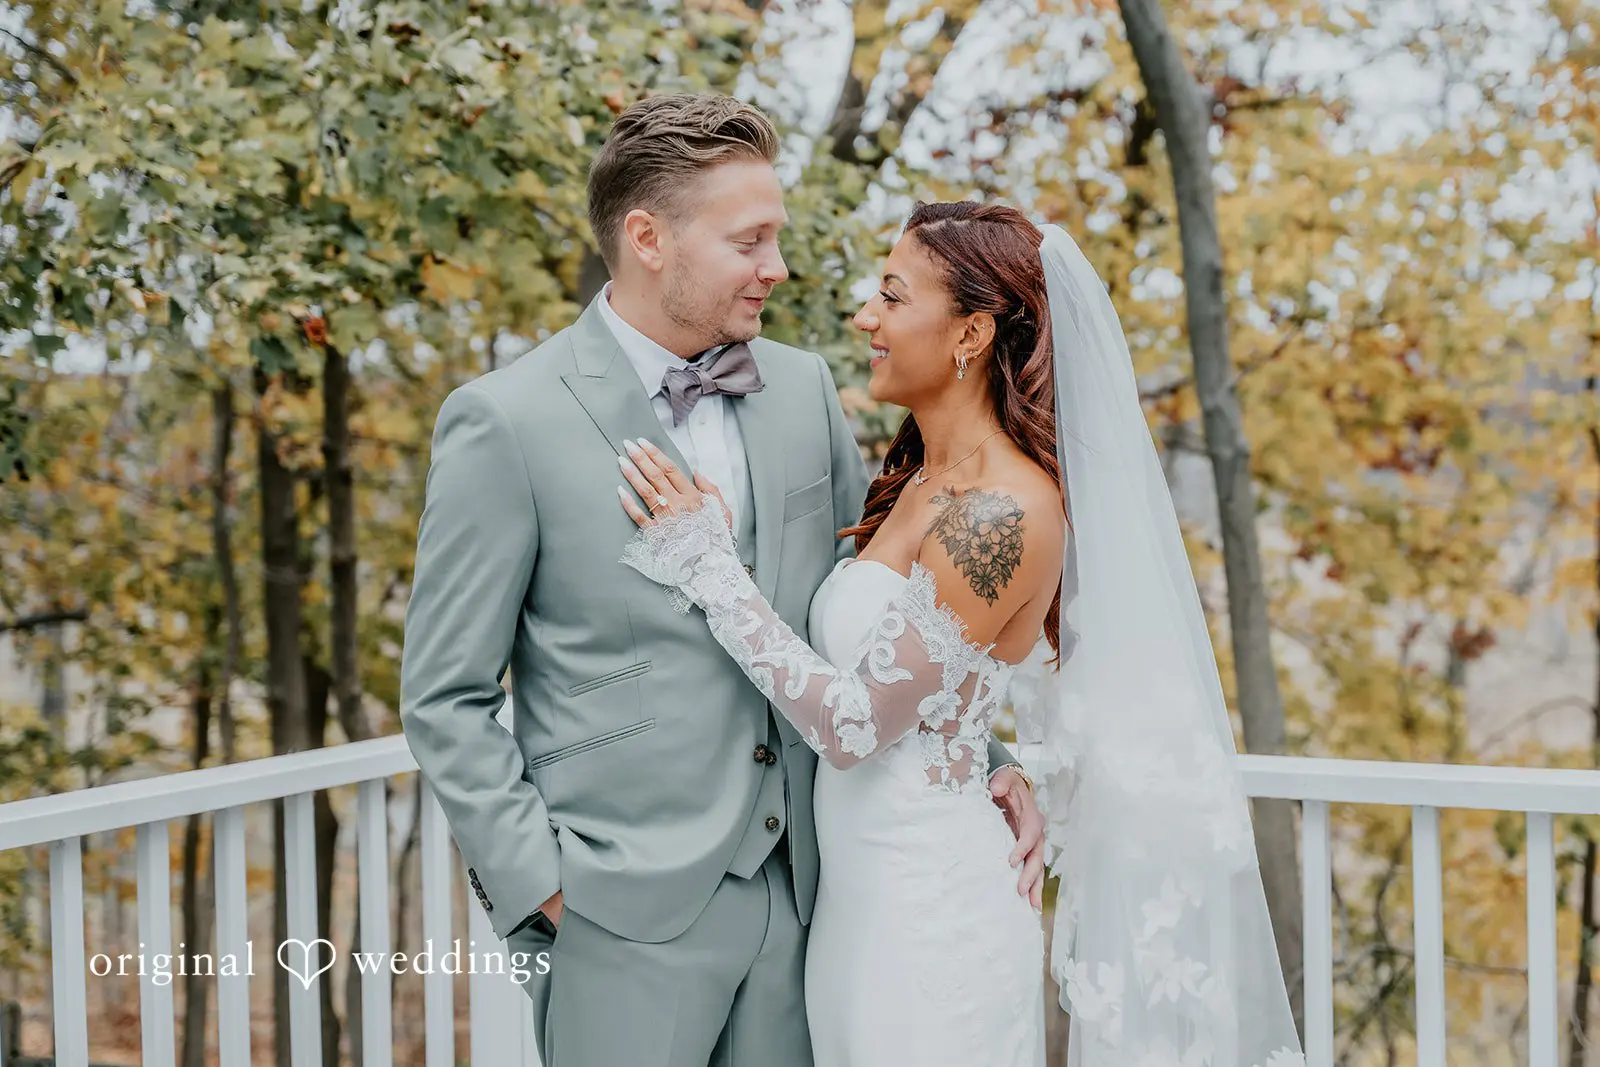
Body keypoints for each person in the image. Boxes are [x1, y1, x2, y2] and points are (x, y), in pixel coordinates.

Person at [397, 94, 1046, 1067]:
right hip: (618, 915)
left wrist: (982, 750)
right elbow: (443, 695)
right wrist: (541, 887)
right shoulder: (507, 421)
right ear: (648, 237)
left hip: (811, 900)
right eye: (749, 241)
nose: (776, 268)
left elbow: (877, 611)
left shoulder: (800, 389)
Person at [617, 201, 1306, 1067]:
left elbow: (856, 724)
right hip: (858, 910)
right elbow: (930, 683)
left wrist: (709, 568)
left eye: (894, 297)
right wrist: (994, 757)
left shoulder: (1002, 513)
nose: (866, 316)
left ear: (970, 334)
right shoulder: (920, 479)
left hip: (930, 916)